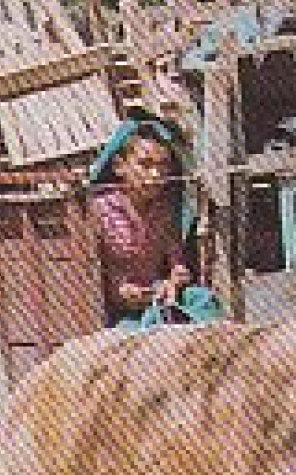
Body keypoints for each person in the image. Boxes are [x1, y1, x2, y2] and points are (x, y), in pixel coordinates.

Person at [87, 116, 220, 329]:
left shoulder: (166, 209)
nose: (156, 174)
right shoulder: (99, 211)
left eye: (163, 165)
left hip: (158, 301)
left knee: (203, 301)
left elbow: (177, 263)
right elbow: (90, 274)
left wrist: (173, 284)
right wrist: (120, 292)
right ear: (120, 167)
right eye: (145, 164)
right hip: (118, 313)